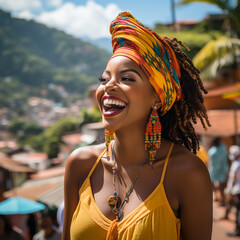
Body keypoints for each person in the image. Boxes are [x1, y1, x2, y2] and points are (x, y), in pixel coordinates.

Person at [62, 12, 212, 240]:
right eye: (105, 79)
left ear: (157, 98)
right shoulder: (80, 165)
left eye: (127, 78)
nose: (108, 87)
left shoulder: (187, 172)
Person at [222, 145, 240, 236]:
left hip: (237, 191)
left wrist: (229, 191)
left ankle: (238, 230)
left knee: (238, 211)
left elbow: (232, 180)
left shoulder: (236, 164)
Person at [208, 137, 229, 205]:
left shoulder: (222, 147)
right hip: (214, 169)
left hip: (222, 169)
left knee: (221, 185)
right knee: (211, 182)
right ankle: (217, 196)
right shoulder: (213, 149)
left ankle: (223, 200)